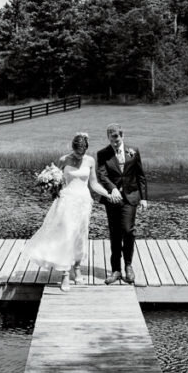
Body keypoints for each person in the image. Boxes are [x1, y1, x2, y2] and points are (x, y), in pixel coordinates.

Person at [22, 132, 111, 292]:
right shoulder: (64, 160)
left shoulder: (90, 160)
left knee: (80, 236)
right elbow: (57, 180)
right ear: (73, 148)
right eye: (77, 152)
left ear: (86, 149)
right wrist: (49, 185)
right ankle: (64, 274)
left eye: (82, 152)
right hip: (67, 201)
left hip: (84, 203)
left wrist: (108, 194)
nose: (80, 155)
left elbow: (94, 183)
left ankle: (76, 268)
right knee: (67, 235)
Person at [96, 123, 148, 285]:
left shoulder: (133, 152)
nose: (115, 142)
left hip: (131, 197)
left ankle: (128, 266)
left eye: (117, 138)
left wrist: (144, 198)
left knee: (128, 230)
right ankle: (116, 270)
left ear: (122, 136)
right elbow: (102, 175)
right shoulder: (103, 154)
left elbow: (140, 176)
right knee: (115, 233)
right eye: (112, 139)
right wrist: (112, 189)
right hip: (112, 199)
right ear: (108, 138)